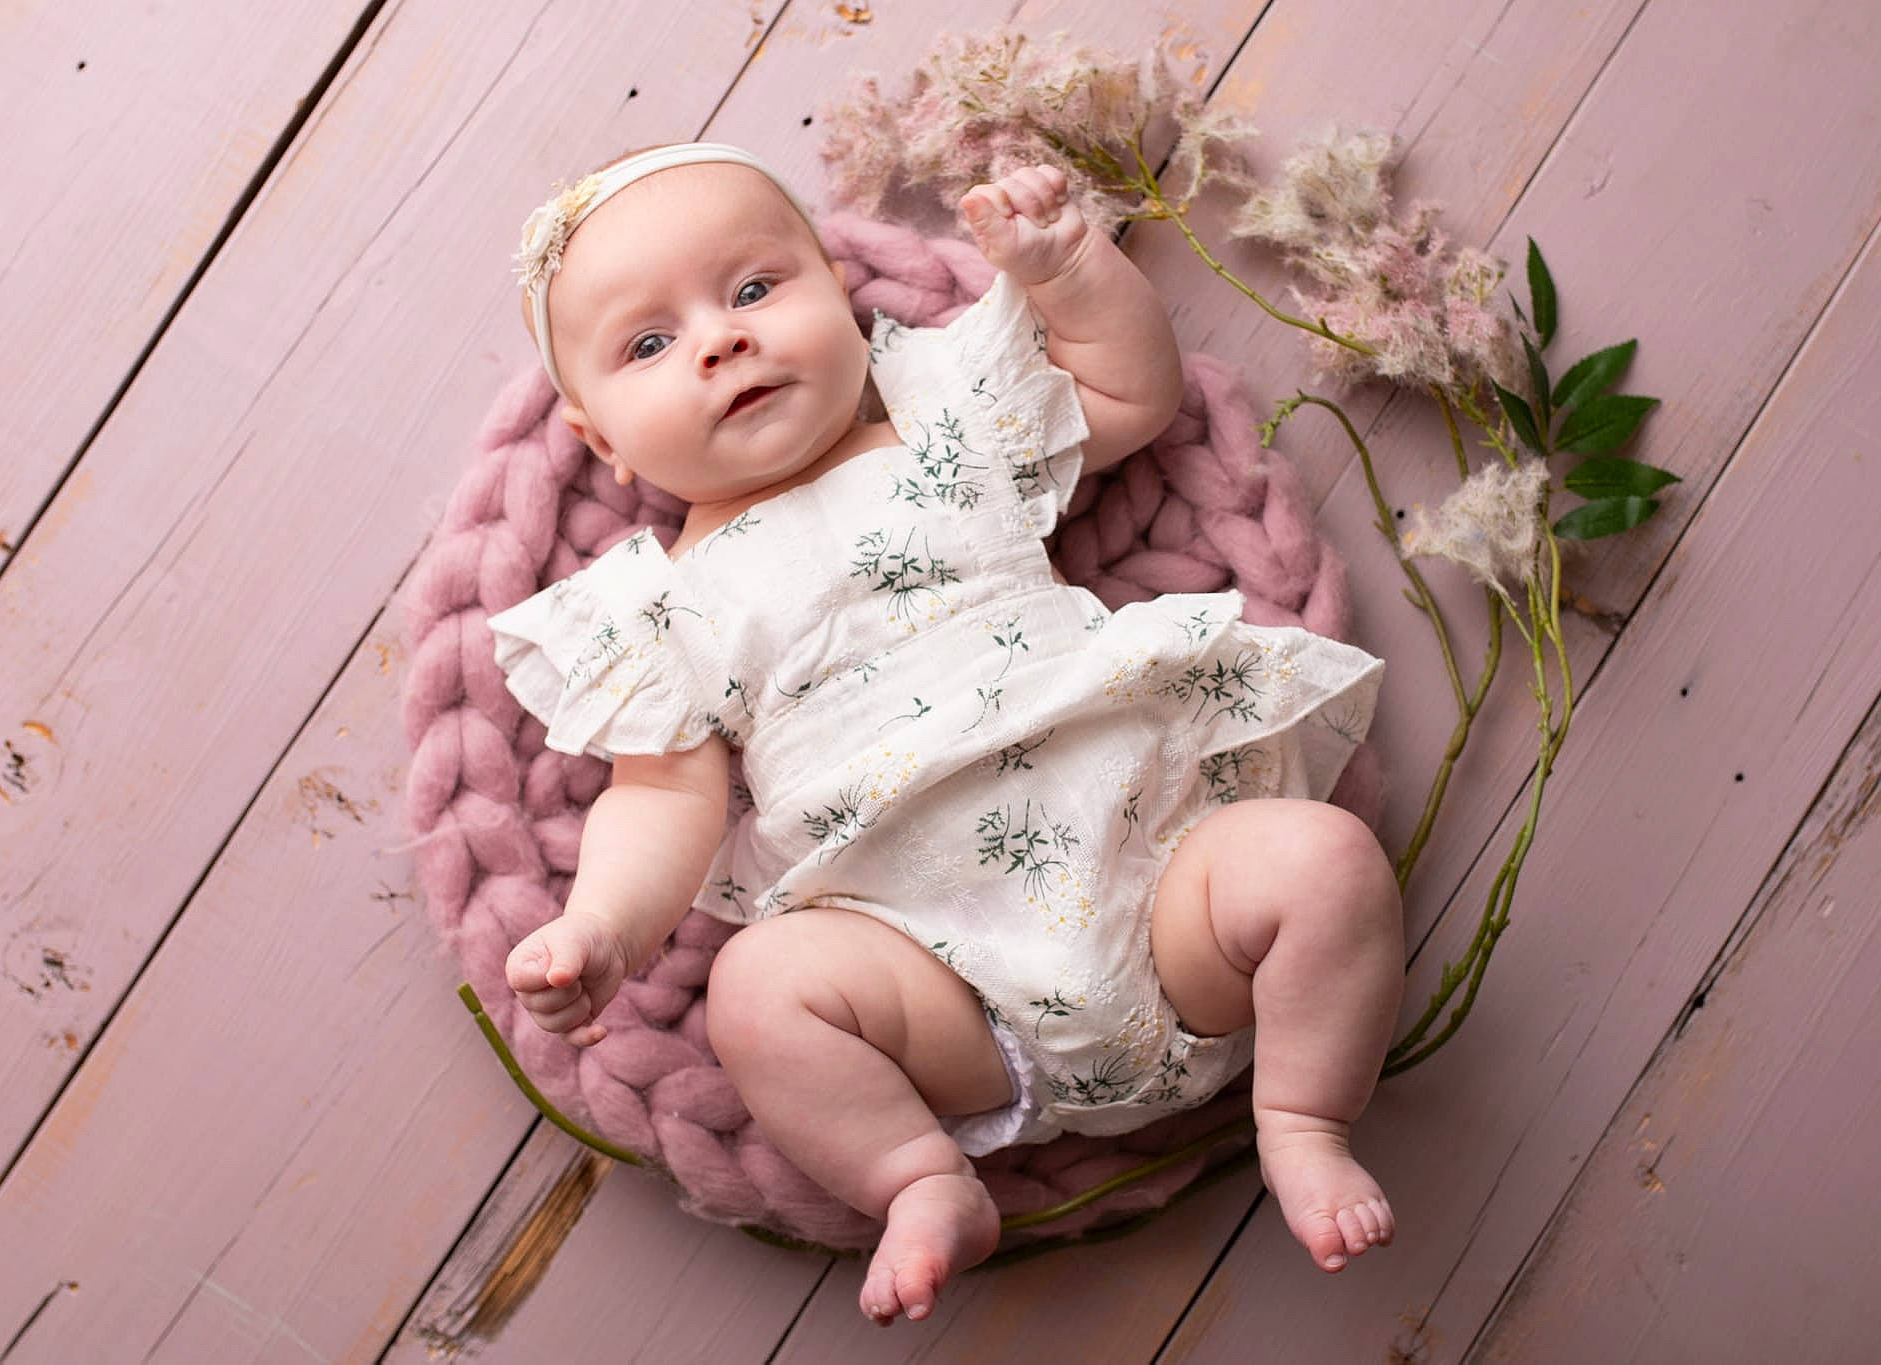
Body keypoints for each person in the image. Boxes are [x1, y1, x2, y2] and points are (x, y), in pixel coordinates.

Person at [490, 142, 1403, 1325]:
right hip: (941, 988)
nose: (719, 340)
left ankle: (1302, 1118)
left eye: (755, 290)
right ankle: (919, 1179)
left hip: (1163, 885)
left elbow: (1130, 394)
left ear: (838, 293)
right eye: (649, 345)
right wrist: (602, 927)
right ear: (600, 438)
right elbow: (662, 797)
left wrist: (1066, 270)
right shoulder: (656, 612)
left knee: (1322, 860)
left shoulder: (943, 428)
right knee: (761, 991)